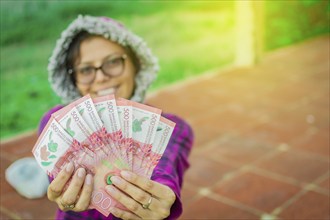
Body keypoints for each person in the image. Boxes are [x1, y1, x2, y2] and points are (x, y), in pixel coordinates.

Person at [38, 15, 194, 220]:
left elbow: (166, 170)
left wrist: (163, 196)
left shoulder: (173, 128)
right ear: (73, 79)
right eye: (86, 69)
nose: (101, 77)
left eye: (112, 62)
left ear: (136, 64)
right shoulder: (56, 121)